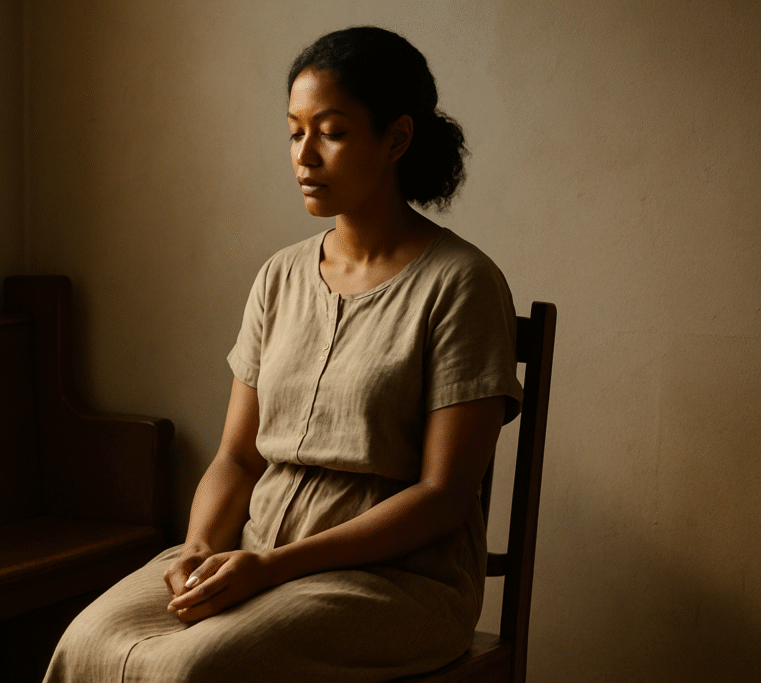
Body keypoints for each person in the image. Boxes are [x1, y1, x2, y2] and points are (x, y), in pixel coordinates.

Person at [43, 26, 523, 683]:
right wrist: (200, 547)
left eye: (331, 130)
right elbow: (238, 457)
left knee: (195, 669)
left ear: (397, 140)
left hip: (396, 581)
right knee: (85, 643)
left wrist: (271, 567)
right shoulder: (280, 276)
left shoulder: (462, 283)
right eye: (295, 131)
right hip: (252, 551)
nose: (305, 155)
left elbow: (443, 495)